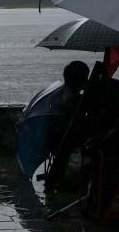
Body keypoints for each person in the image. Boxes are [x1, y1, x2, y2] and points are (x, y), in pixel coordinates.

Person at [44, 60, 91, 191]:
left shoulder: (57, 93)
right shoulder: (75, 100)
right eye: (86, 78)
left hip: (54, 139)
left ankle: (54, 180)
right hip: (66, 141)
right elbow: (81, 125)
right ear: (80, 80)